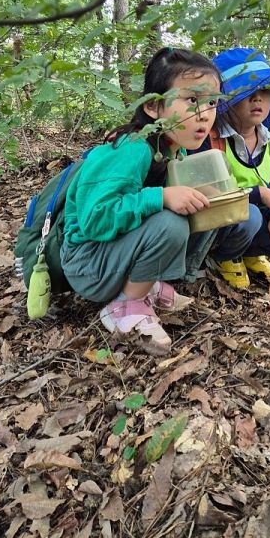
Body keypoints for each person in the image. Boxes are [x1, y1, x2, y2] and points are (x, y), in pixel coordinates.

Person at [59, 48, 222, 355]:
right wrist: (159, 196)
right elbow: (96, 218)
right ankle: (124, 306)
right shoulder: (133, 149)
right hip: (87, 263)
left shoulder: (174, 149)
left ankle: (148, 285)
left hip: (110, 253)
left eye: (211, 102)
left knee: (203, 204)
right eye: (191, 100)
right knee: (171, 221)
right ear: (153, 107)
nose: (204, 114)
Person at [206, 47, 270, 288]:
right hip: (220, 220)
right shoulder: (211, 139)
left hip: (253, 216)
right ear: (227, 99)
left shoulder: (269, 137)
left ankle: (250, 251)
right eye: (246, 91)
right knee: (249, 217)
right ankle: (223, 256)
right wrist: (258, 193)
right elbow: (207, 197)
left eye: (264, 89)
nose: (257, 98)